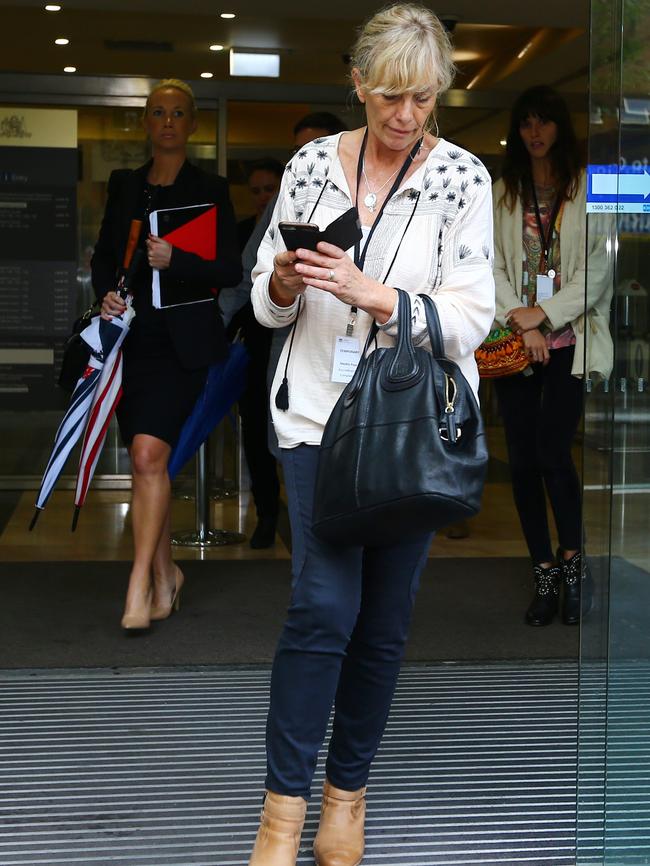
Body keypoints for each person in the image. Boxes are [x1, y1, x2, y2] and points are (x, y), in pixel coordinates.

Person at [247, 5, 495, 864]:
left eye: (422, 99)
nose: (405, 116)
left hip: (408, 430)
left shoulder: (463, 178)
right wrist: (281, 278)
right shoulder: (312, 164)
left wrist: (372, 293)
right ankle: (281, 815)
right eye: (390, 96)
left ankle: (345, 798)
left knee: (384, 622)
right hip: (314, 417)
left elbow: (472, 319)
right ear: (358, 83)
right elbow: (265, 306)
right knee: (321, 610)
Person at [91, 79, 241, 632]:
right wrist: (104, 291)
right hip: (129, 339)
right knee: (143, 459)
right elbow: (105, 256)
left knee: (150, 456)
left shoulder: (211, 187)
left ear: (193, 124)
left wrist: (176, 259)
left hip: (181, 345)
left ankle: (137, 583)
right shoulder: (125, 185)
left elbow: (228, 269)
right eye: (159, 112)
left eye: (179, 113)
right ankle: (165, 574)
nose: (169, 121)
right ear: (146, 124)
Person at [491, 85, 612, 627]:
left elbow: (599, 269)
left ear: (561, 127)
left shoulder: (591, 186)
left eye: (543, 123)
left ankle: (573, 565)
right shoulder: (503, 191)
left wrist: (546, 315)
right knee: (520, 462)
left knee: (553, 455)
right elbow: (486, 266)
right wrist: (521, 316)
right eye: (525, 124)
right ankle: (542, 572)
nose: (534, 133)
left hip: (569, 341)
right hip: (515, 341)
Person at [220, 114, 347, 549]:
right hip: (287, 351)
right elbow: (247, 275)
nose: (308, 156)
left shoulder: (374, 199)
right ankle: (279, 523)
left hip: (360, 361)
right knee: (277, 443)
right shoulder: (288, 199)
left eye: (318, 145)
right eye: (299, 149)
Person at [237, 158, 285, 250]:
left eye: (269, 189)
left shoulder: (292, 227)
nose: (263, 196)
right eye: (256, 191)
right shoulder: (239, 231)